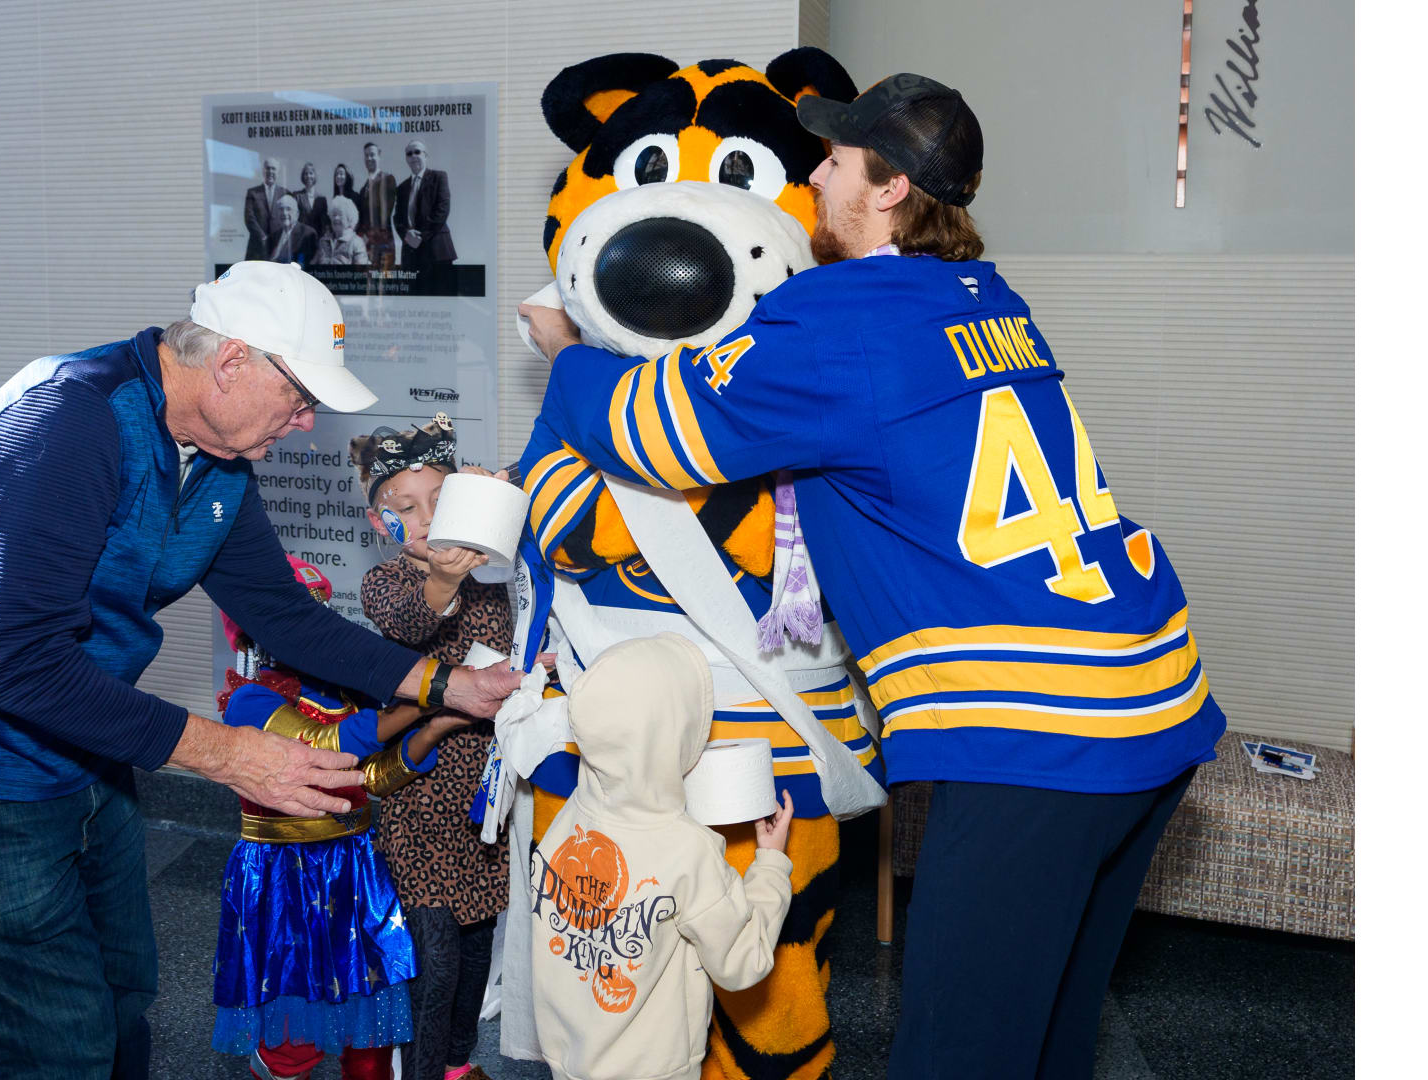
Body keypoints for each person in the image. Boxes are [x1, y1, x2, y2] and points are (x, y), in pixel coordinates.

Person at [520, 73, 1225, 1080]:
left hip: (1043, 734)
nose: (814, 176)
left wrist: (567, 354)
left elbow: (655, 432)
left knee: (957, 1053)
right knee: (1052, 1031)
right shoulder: (988, 297)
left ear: (890, 188)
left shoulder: (842, 321)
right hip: (1156, 699)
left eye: (836, 160)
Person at [0, 260, 521, 1080]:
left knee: (123, 996)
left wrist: (448, 686)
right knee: (50, 1042)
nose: (304, 423)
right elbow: (22, 665)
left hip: (81, 733)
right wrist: (231, 754)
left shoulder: (219, 460)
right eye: (298, 398)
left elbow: (286, 617)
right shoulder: (66, 419)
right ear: (232, 361)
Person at [212, 555, 473, 1080]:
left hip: (352, 868)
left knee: (368, 1026)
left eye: (316, 614)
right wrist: (421, 700)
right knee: (293, 1026)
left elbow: (370, 778)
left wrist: (434, 728)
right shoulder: (249, 701)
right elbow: (324, 745)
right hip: (283, 875)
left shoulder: (345, 695)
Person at [529, 632, 795, 1080]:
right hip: (653, 1068)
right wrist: (770, 864)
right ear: (677, 735)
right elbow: (741, 960)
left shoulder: (571, 816)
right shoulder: (688, 847)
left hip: (569, 1058)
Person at [353, 416, 512, 1080]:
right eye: (406, 508)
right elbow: (412, 622)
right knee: (436, 961)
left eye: (440, 502)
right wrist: (442, 582)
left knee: (475, 954)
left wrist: (500, 500)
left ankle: (454, 1066)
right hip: (418, 799)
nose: (424, 520)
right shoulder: (385, 584)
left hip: (486, 800)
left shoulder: (495, 580)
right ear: (379, 521)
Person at [393, 140, 457, 294]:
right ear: (406, 159)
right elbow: (397, 218)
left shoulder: (439, 177)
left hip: (437, 252)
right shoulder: (401, 188)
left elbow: (442, 210)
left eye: (417, 152)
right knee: (414, 301)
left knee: (442, 300)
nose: (413, 156)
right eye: (409, 154)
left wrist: (420, 237)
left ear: (426, 156)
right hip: (412, 256)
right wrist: (406, 235)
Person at [357, 142, 397, 271]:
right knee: (368, 280)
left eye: (372, 155)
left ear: (379, 156)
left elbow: (385, 213)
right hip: (367, 246)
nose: (369, 158)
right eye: (366, 155)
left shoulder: (388, 179)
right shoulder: (363, 189)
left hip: (384, 245)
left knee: (385, 280)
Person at [246, 157, 285, 261]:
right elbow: (249, 218)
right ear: (263, 171)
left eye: (273, 169)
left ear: (278, 172)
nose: (270, 171)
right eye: (268, 168)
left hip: (278, 248)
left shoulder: (285, 193)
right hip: (257, 247)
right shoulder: (252, 193)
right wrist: (262, 237)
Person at [313, 196, 370, 266]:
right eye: (334, 215)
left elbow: (361, 270)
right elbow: (312, 266)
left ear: (349, 218)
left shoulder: (356, 243)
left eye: (340, 215)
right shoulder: (323, 241)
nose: (336, 218)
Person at [267, 194, 319, 268]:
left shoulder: (307, 234)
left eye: (288, 209)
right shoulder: (274, 236)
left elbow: (305, 264)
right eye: (281, 209)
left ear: (297, 214)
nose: (284, 213)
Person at [294, 161, 330, 238]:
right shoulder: (297, 196)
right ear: (303, 176)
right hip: (302, 237)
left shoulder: (322, 199)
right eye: (306, 174)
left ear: (314, 175)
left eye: (311, 173)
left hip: (317, 237)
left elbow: (324, 222)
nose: (308, 176)